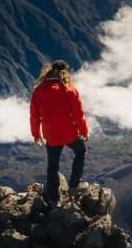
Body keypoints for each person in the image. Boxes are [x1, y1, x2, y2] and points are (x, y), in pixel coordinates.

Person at [29, 59, 89, 204]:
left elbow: (34, 115)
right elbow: (78, 114)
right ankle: (74, 185)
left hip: (51, 135)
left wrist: (36, 134)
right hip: (69, 133)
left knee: (52, 166)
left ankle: (53, 198)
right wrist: (84, 130)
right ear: (65, 72)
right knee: (80, 151)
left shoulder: (39, 90)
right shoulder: (69, 89)